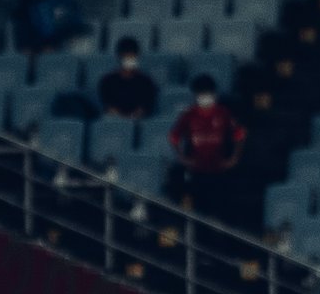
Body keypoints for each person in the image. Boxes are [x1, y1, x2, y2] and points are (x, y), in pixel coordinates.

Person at [167, 75, 246, 220]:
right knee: (199, 210)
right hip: (197, 171)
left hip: (219, 170)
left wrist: (234, 158)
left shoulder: (223, 113)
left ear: (214, 94)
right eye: (202, 94)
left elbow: (240, 134)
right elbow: (174, 137)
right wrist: (182, 158)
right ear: (196, 95)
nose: (205, 97)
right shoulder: (189, 115)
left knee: (218, 211)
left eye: (208, 93)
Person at [97, 37, 159, 120]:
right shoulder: (108, 81)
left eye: (132, 57)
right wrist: (120, 118)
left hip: (138, 121)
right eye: (126, 57)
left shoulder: (146, 81)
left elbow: (145, 107)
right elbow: (108, 106)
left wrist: (134, 116)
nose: (129, 61)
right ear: (120, 57)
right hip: (115, 120)